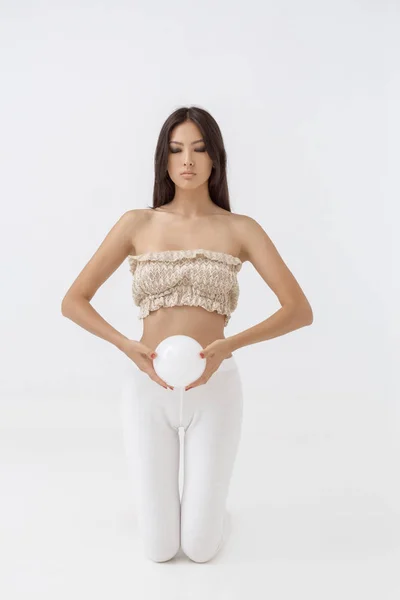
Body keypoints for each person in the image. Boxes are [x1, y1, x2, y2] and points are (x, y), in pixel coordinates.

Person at [61, 105, 313, 563]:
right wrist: (126, 345)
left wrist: (229, 346)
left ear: (215, 157)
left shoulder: (240, 229)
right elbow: (73, 300)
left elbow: (299, 310)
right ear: (164, 159)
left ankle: (216, 518)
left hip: (215, 387)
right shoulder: (137, 223)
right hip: (147, 386)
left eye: (199, 149)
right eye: (176, 150)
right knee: (159, 551)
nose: (188, 160)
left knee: (199, 549)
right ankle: (190, 515)